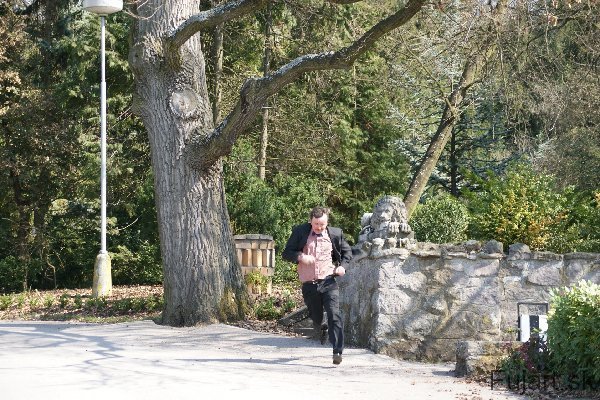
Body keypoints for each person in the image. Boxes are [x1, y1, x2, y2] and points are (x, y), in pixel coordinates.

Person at [282, 206, 353, 365]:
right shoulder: (300, 232)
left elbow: (347, 253)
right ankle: (321, 328)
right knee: (316, 318)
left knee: (334, 315)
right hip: (309, 285)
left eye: (322, 224)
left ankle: (337, 352)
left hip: (328, 281)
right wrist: (300, 256)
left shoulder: (335, 234)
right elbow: (286, 253)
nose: (319, 227)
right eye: (316, 224)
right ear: (310, 221)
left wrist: (342, 267)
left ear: (327, 222)